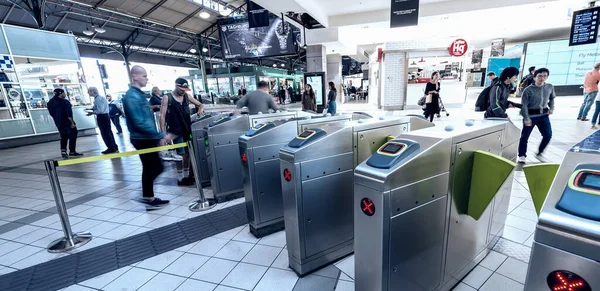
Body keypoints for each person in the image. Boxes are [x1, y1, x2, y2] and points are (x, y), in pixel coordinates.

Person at [122, 65, 171, 209]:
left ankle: (147, 196)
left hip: (144, 137)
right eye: (143, 75)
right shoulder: (132, 96)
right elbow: (139, 121)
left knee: (150, 167)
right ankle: (145, 195)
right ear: (134, 77)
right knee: (156, 167)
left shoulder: (138, 94)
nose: (146, 78)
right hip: (142, 138)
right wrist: (158, 135)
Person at [159, 78, 205, 186]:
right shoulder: (167, 97)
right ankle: (180, 178)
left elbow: (201, 104)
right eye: (182, 89)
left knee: (188, 154)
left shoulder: (187, 96)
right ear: (176, 86)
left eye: (185, 89)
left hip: (187, 129)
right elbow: (162, 115)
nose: (183, 91)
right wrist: (163, 133)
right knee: (180, 155)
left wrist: (200, 110)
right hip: (175, 131)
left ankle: (186, 175)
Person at [517, 68, 554, 163]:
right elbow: (523, 105)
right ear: (534, 77)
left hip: (544, 115)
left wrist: (551, 108)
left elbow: (552, 98)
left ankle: (539, 153)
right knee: (525, 136)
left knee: (548, 135)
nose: (542, 78)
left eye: (545, 76)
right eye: (540, 76)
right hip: (531, 115)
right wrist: (526, 118)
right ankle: (521, 155)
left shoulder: (549, 87)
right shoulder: (528, 90)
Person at [47, 88, 83, 159]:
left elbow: (51, 113)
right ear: (60, 93)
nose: (65, 94)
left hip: (58, 123)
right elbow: (69, 114)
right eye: (64, 93)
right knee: (73, 135)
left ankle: (63, 150)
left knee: (63, 136)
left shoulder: (50, 102)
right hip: (67, 122)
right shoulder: (65, 102)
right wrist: (72, 123)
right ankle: (72, 151)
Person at [88, 87, 118, 154]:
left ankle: (110, 148)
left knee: (105, 133)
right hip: (105, 116)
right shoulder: (100, 98)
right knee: (108, 132)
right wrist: (92, 109)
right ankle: (114, 146)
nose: (88, 93)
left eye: (89, 91)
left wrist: (92, 112)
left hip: (102, 117)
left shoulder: (98, 99)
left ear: (93, 91)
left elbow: (100, 110)